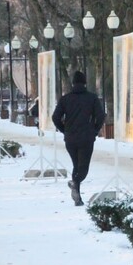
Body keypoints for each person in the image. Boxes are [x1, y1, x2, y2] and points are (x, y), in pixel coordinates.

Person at [52, 71, 106, 206]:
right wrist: (94, 130)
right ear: (85, 83)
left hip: (70, 138)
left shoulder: (65, 99)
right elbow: (100, 116)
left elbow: (55, 117)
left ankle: (78, 198)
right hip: (86, 137)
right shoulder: (92, 98)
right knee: (83, 167)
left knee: (76, 165)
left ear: (73, 83)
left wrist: (64, 130)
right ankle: (75, 183)